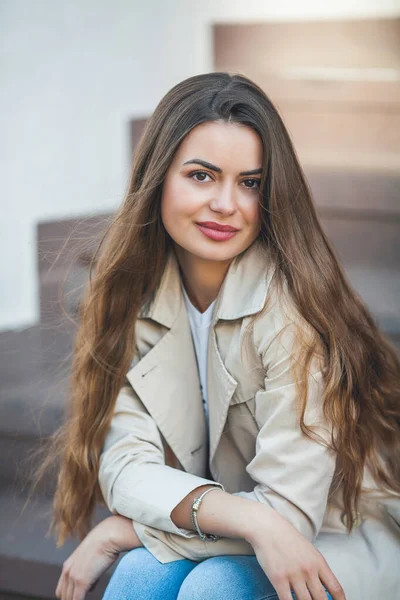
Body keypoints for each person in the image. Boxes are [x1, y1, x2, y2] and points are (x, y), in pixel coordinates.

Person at [50, 72, 400, 600]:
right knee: (140, 575)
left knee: (212, 588)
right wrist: (249, 521)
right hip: (244, 526)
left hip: (337, 539)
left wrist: (125, 528)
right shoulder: (136, 298)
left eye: (251, 183)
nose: (226, 204)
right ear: (158, 177)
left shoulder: (292, 313)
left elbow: (288, 516)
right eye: (202, 176)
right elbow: (125, 466)